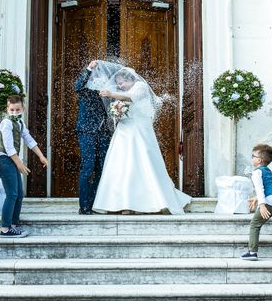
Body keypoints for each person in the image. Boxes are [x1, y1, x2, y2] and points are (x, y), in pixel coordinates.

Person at [91, 66, 191, 214]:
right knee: (122, 165)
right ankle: (123, 203)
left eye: (122, 82)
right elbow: (122, 103)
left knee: (142, 163)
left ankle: (147, 202)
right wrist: (117, 113)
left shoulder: (141, 86)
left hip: (139, 130)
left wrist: (111, 93)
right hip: (124, 130)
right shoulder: (123, 92)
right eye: (117, 83)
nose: (119, 86)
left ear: (130, 79)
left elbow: (131, 97)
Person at [0, 95, 48, 237]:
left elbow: (29, 140)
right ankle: (5, 228)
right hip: (4, 160)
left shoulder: (20, 123)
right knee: (11, 194)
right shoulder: (6, 123)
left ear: (23, 109)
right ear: (7, 109)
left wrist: (41, 156)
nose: (14, 112)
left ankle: (13, 224)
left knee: (18, 194)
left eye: (17, 109)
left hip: (12, 161)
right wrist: (20, 165)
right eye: (11, 110)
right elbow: (9, 147)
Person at [75, 60, 113, 214]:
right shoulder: (85, 90)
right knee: (88, 167)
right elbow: (77, 85)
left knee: (101, 168)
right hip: (86, 132)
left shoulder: (108, 93)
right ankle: (84, 206)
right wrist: (89, 69)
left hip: (104, 133)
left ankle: (95, 202)